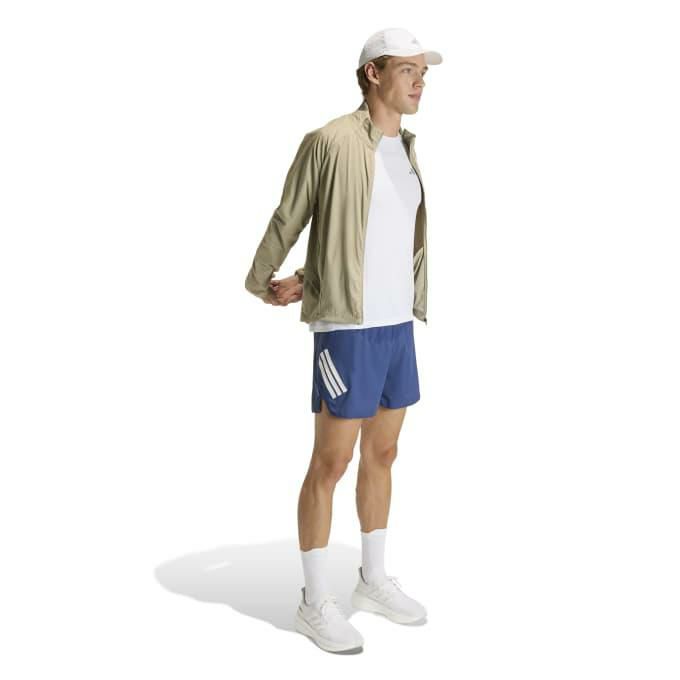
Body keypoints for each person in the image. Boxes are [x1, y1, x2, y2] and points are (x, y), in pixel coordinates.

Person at [244, 27, 442, 653]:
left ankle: (372, 579)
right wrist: (262, 279)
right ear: (373, 74)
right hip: (347, 332)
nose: (420, 81)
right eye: (408, 69)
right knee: (331, 463)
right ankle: (313, 602)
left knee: (384, 455)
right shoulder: (329, 141)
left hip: (396, 324)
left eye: (424, 72)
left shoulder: (406, 149)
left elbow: (371, 239)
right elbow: (293, 213)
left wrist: (311, 274)